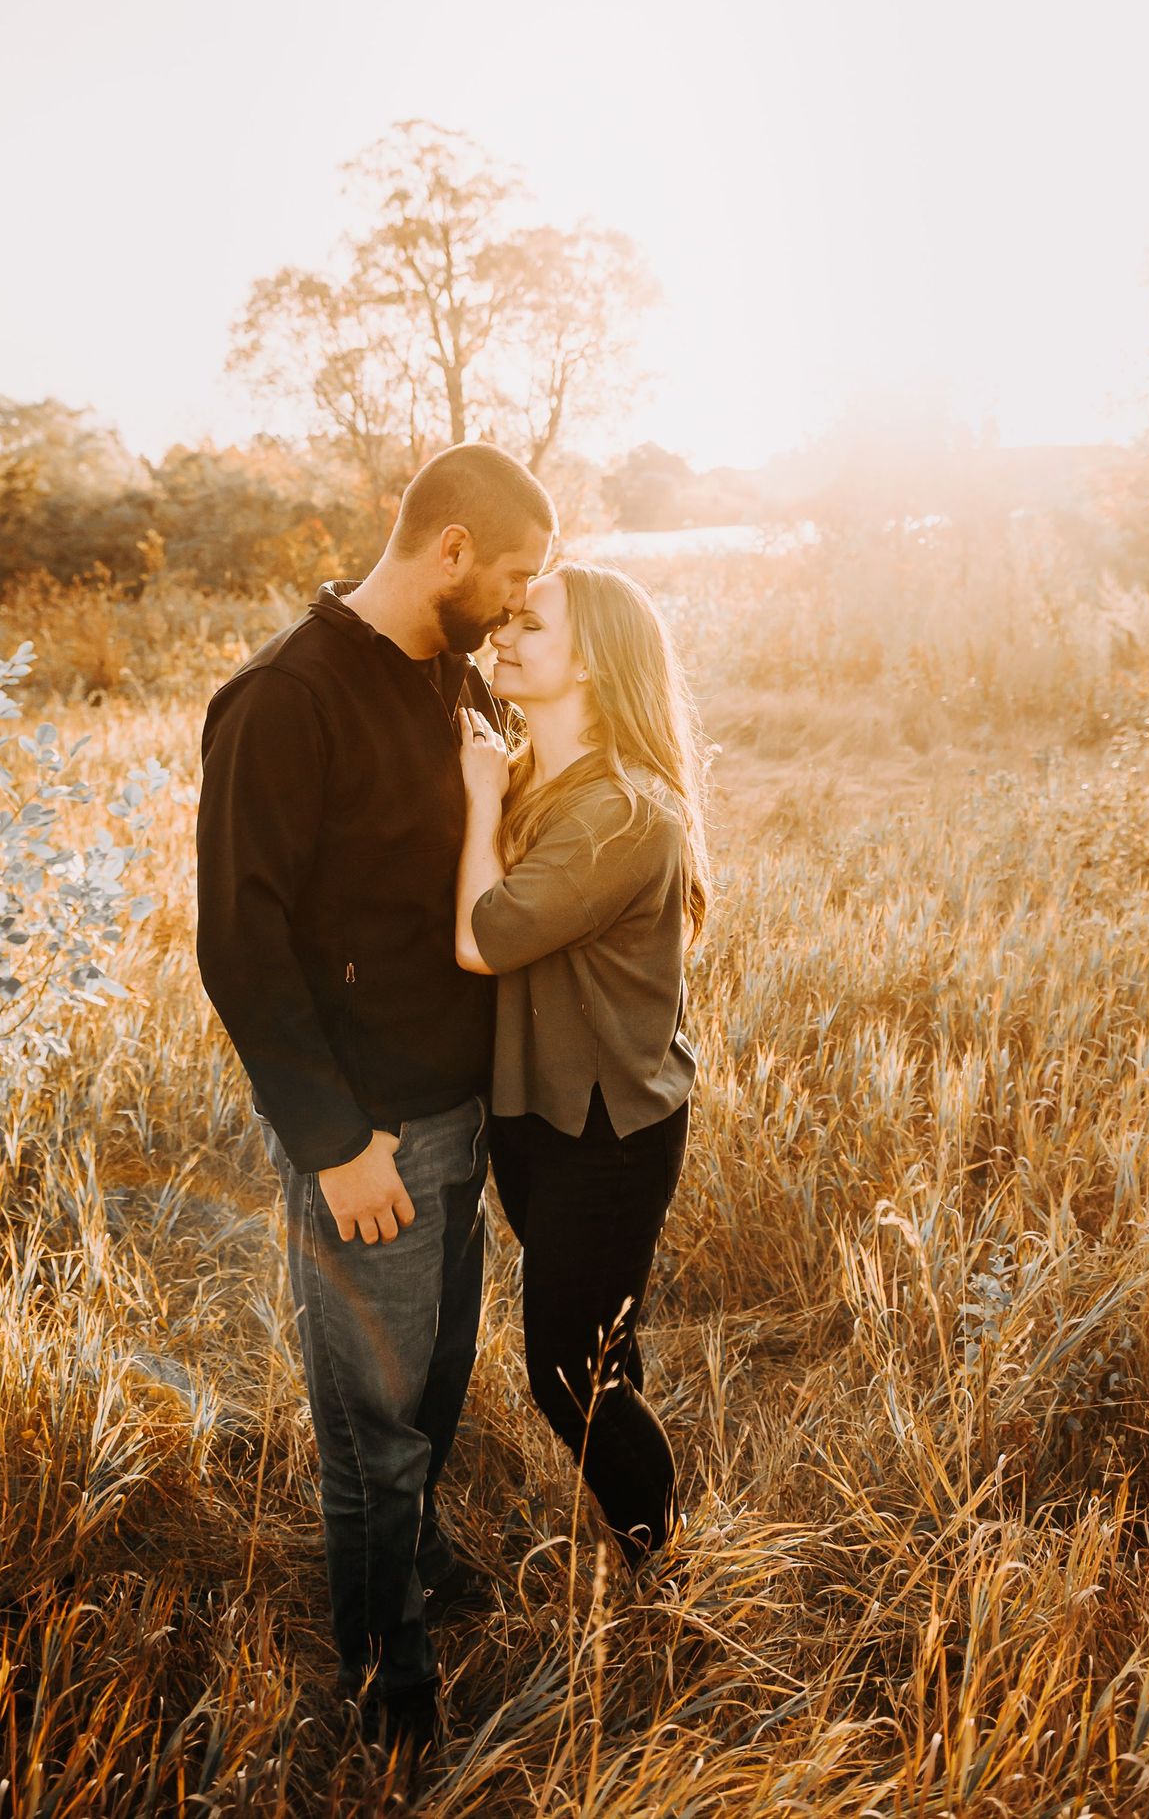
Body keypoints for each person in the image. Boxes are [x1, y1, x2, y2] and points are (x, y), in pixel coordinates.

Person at [195, 442, 555, 1763]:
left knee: (437, 1388)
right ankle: (386, 1677)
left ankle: (417, 1560)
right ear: (448, 549)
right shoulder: (284, 700)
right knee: (371, 1428)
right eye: (511, 574)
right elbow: (240, 942)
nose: (519, 603)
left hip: (463, 1119)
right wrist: (335, 1144)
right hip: (372, 1139)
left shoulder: (450, 678)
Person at [453, 561, 709, 1571]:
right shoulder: (529, 769)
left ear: (595, 660)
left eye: (531, 624)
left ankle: (664, 1555)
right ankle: (643, 1528)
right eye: (504, 620)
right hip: (533, 1109)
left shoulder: (623, 813)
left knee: (565, 1373)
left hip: (609, 1131)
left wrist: (478, 798)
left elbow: (484, 936)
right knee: (600, 1340)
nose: (502, 637)